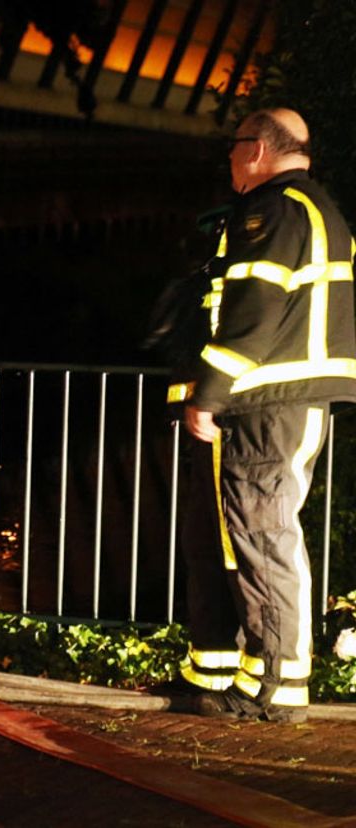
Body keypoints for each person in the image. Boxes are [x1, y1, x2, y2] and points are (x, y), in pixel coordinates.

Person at [176, 108, 356, 722]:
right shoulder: (321, 211)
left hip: (264, 405)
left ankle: (278, 690)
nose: (229, 160)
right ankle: (247, 678)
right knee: (251, 540)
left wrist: (211, 393)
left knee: (260, 540)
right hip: (293, 402)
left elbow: (253, 310)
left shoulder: (272, 211)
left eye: (234, 149)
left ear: (257, 150)